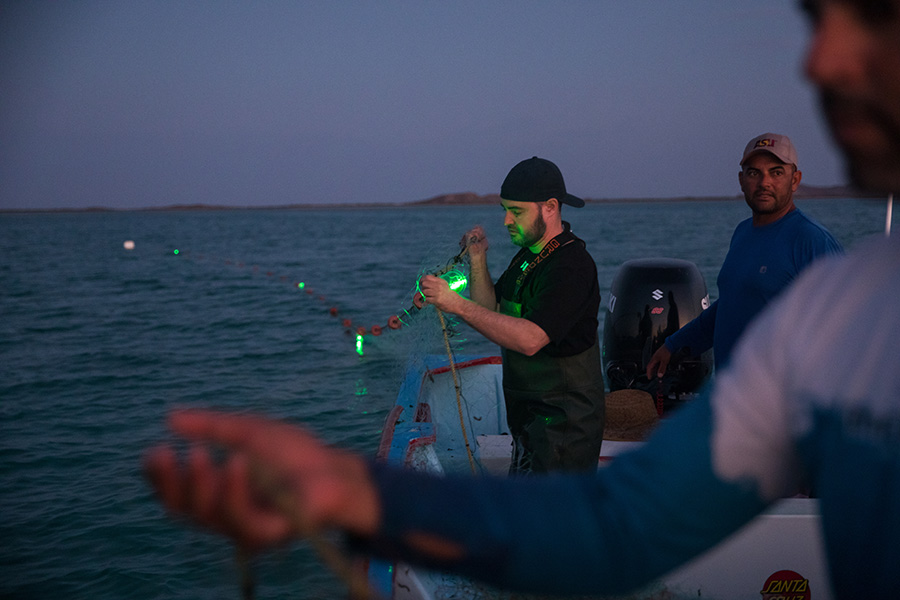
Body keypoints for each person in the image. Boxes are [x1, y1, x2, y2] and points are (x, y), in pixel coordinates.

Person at [144, 1, 900, 598]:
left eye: (872, 12)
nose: (821, 59)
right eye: (817, 17)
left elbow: (529, 337)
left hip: (569, 416)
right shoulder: (828, 309)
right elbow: (623, 521)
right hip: (593, 418)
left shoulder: (812, 268)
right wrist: (358, 495)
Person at [417, 156, 605, 474]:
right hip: (530, 419)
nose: (506, 220)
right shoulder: (528, 256)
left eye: (516, 211)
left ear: (550, 207)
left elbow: (531, 339)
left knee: (549, 516)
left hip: (565, 425)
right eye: (504, 209)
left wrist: (456, 304)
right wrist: (477, 258)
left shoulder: (570, 266)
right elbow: (491, 309)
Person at [646, 132, 843, 379]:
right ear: (741, 180)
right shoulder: (742, 233)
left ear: (795, 180)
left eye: (777, 172)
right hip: (733, 398)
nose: (764, 182)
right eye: (754, 173)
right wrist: (673, 345)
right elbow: (731, 306)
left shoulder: (811, 240)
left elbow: (847, 325)